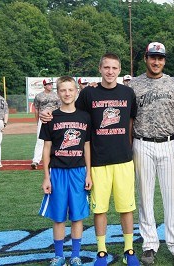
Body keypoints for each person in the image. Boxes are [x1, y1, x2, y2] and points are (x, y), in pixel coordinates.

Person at [40, 53, 140, 266]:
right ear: (100, 68)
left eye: (114, 68)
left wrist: (127, 146)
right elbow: (73, 114)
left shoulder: (128, 92)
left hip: (123, 159)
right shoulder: (88, 94)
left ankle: (129, 250)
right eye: (106, 67)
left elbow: (130, 123)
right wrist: (48, 113)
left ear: (119, 70)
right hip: (98, 161)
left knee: (126, 207)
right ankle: (101, 251)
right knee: (100, 209)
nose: (110, 71)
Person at [128, 42, 174, 266]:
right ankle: (149, 244)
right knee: (145, 196)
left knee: (172, 197)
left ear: (164, 60)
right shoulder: (133, 85)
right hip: (141, 143)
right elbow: (129, 118)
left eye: (160, 58)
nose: (156, 62)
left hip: (168, 143)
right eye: (152, 57)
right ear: (145, 58)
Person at [38, 76, 92, 266]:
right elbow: (46, 149)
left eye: (70, 90)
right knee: (59, 216)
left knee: (77, 215)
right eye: (63, 90)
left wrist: (89, 173)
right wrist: (46, 177)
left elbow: (87, 147)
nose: (67, 93)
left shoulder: (85, 117)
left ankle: (75, 255)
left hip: (78, 172)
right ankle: (59, 255)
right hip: (57, 172)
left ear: (76, 91)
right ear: (58, 92)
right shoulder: (51, 118)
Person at [31, 78, 61, 170]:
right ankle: (36, 161)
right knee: (40, 141)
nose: (50, 85)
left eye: (51, 84)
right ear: (44, 86)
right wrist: (37, 121)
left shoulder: (57, 95)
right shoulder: (39, 96)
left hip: (54, 119)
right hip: (43, 119)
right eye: (48, 84)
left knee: (57, 140)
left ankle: (57, 159)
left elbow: (60, 108)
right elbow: (36, 109)